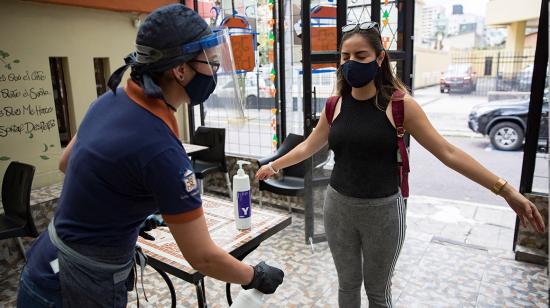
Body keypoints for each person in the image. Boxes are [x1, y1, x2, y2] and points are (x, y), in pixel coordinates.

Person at [256, 22, 545, 308]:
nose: (352, 63)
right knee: (347, 286)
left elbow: (448, 152)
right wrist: (275, 165)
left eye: (361, 56)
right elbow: (310, 144)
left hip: (383, 212)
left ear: (380, 58)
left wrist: (504, 189)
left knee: (378, 293)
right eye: (346, 57)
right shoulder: (335, 105)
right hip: (338, 208)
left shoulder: (400, 105)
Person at [17, 4, 283, 307]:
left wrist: (122, 210)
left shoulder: (110, 99)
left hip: (45, 265)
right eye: (210, 62)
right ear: (180, 69)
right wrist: (254, 275)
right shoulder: (162, 151)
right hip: (76, 288)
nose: (216, 71)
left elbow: (67, 163)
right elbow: (203, 257)